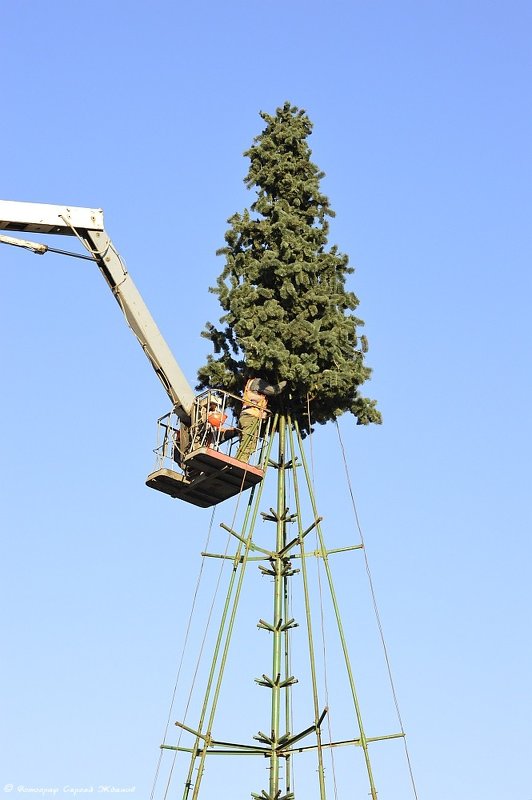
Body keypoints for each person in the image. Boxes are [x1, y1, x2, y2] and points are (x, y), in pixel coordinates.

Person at [236, 378, 286, 463]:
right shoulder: (258, 382)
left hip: (246, 415)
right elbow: (273, 390)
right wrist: (285, 382)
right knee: (249, 442)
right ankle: (240, 462)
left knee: (246, 442)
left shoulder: (250, 382)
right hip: (251, 415)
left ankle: (240, 461)